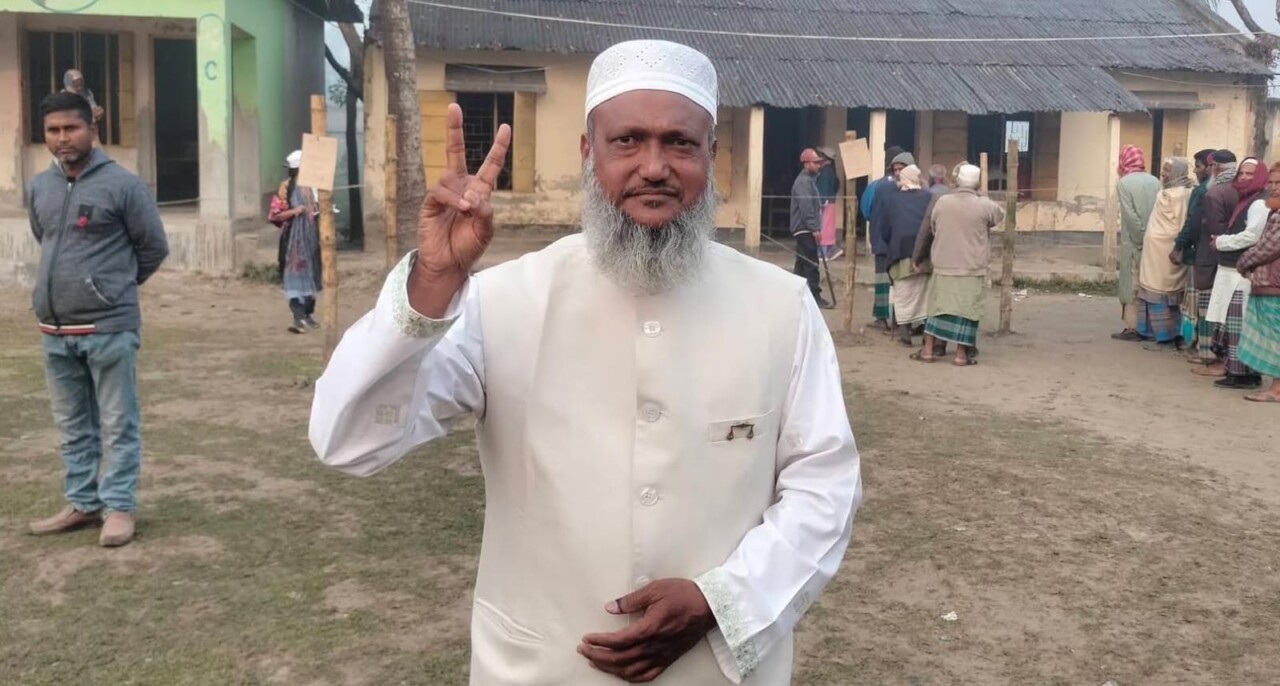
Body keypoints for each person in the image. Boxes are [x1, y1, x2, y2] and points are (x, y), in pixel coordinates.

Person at [310, 39, 862, 685]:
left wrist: (723, 602)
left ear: (710, 156)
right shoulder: (503, 301)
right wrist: (433, 282)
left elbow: (825, 486)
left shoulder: (782, 306)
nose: (653, 166)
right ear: (587, 152)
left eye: (679, 143)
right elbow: (348, 440)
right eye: (627, 141)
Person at [25, 92, 169, 547]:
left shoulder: (123, 186)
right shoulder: (40, 186)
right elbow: (45, 238)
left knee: (117, 421)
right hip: (54, 329)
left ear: (92, 128)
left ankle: (119, 506)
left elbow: (153, 247)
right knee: (72, 425)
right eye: (53, 130)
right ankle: (83, 502)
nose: (62, 138)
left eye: (71, 128)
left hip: (108, 327)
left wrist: (112, 288)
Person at [911, 164, 1003, 366]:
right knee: (967, 311)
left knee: (936, 308)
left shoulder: (943, 202)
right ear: (977, 184)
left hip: (943, 265)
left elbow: (932, 227)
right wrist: (982, 196)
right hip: (971, 267)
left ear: (957, 181)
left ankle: (928, 351)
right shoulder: (985, 205)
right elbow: (998, 216)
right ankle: (960, 355)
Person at [1204, 156, 1268, 389]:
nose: (1243, 178)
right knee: (1229, 323)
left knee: (1238, 324)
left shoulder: (1259, 203)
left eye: (1249, 174)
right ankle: (1235, 371)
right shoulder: (1246, 199)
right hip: (1230, 270)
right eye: (1241, 173)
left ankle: (1243, 375)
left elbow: (1252, 236)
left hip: (1241, 273)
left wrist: (1222, 242)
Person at [1136, 157, 1195, 351]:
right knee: (1163, 291)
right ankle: (1166, 334)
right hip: (1164, 251)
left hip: (1164, 252)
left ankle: (1166, 337)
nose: (1163, 174)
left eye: (1167, 170)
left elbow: (1177, 225)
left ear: (1177, 172)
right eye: (1163, 169)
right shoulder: (1179, 192)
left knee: (1159, 291)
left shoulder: (1174, 195)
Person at [1191, 150, 1240, 374]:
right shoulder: (1244, 191)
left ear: (1216, 168)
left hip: (1217, 258)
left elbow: (1212, 228)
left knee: (1214, 310)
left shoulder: (1214, 193)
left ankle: (1213, 357)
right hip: (1234, 259)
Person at [1236, 162, 1280, 403]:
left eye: (1279, 183)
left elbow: (1268, 247)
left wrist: (1243, 262)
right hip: (1272, 283)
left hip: (1274, 286)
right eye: (1271, 182)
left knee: (1275, 338)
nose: (1274, 187)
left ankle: (1276, 390)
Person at [879, 165, 935, 346]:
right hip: (925, 253)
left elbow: (884, 230)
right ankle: (926, 331)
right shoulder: (929, 197)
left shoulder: (890, 200)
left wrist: (892, 242)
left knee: (902, 291)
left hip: (899, 251)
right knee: (924, 293)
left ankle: (904, 329)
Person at [268, 150, 323, 333]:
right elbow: (275, 214)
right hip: (294, 240)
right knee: (295, 276)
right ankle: (298, 317)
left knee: (312, 274)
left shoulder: (314, 186)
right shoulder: (286, 187)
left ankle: (307, 314)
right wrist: (295, 211)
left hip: (311, 237)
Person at [1172, 149, 1218, 362]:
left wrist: (1178, 246)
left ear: (1209, 167)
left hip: (1199, 254)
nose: (1195, 171)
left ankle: (1197, 343)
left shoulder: (1202, 191)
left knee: (1196, 302)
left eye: (1198, 167)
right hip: (1213, 255)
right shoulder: (1219, 189)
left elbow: (1192, 222)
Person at [1112, 145, 1161, 341]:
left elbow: (1129, 214)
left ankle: (1133, 327)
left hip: (1133, 242)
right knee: (1149, 284)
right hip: (1155, 241)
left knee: (1131, 285)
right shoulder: (1155, 181)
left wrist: (1139, 237)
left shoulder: (1124, 183)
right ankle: (1151, 325)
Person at [862, 145, 908, 329]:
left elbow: (866, 210)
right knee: (900, 280)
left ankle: (881, 318)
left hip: (880, 238)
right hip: (901, 241)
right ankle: (899, 319)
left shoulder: (875, 186)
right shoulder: (908, 186)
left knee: (881, 278)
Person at [791, 148, 831, 308]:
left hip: (805, 228)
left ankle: (796, 295)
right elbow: (806, 207)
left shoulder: (809, 181)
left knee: (802, 264)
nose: (818, 165)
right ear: (806, 164)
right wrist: (814, 228)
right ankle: (814, 295)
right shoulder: (803, 182)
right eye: (815, 163)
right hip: (804, 229)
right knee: (811, 264)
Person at [815, 146, 842, 260]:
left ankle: (823, 253)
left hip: (825, 203)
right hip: (830, 202)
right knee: (827, 228)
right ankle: (830, 250)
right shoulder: (830, 170)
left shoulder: (825, 171)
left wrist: (822, 201)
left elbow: (823, 188)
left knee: (823, 228)